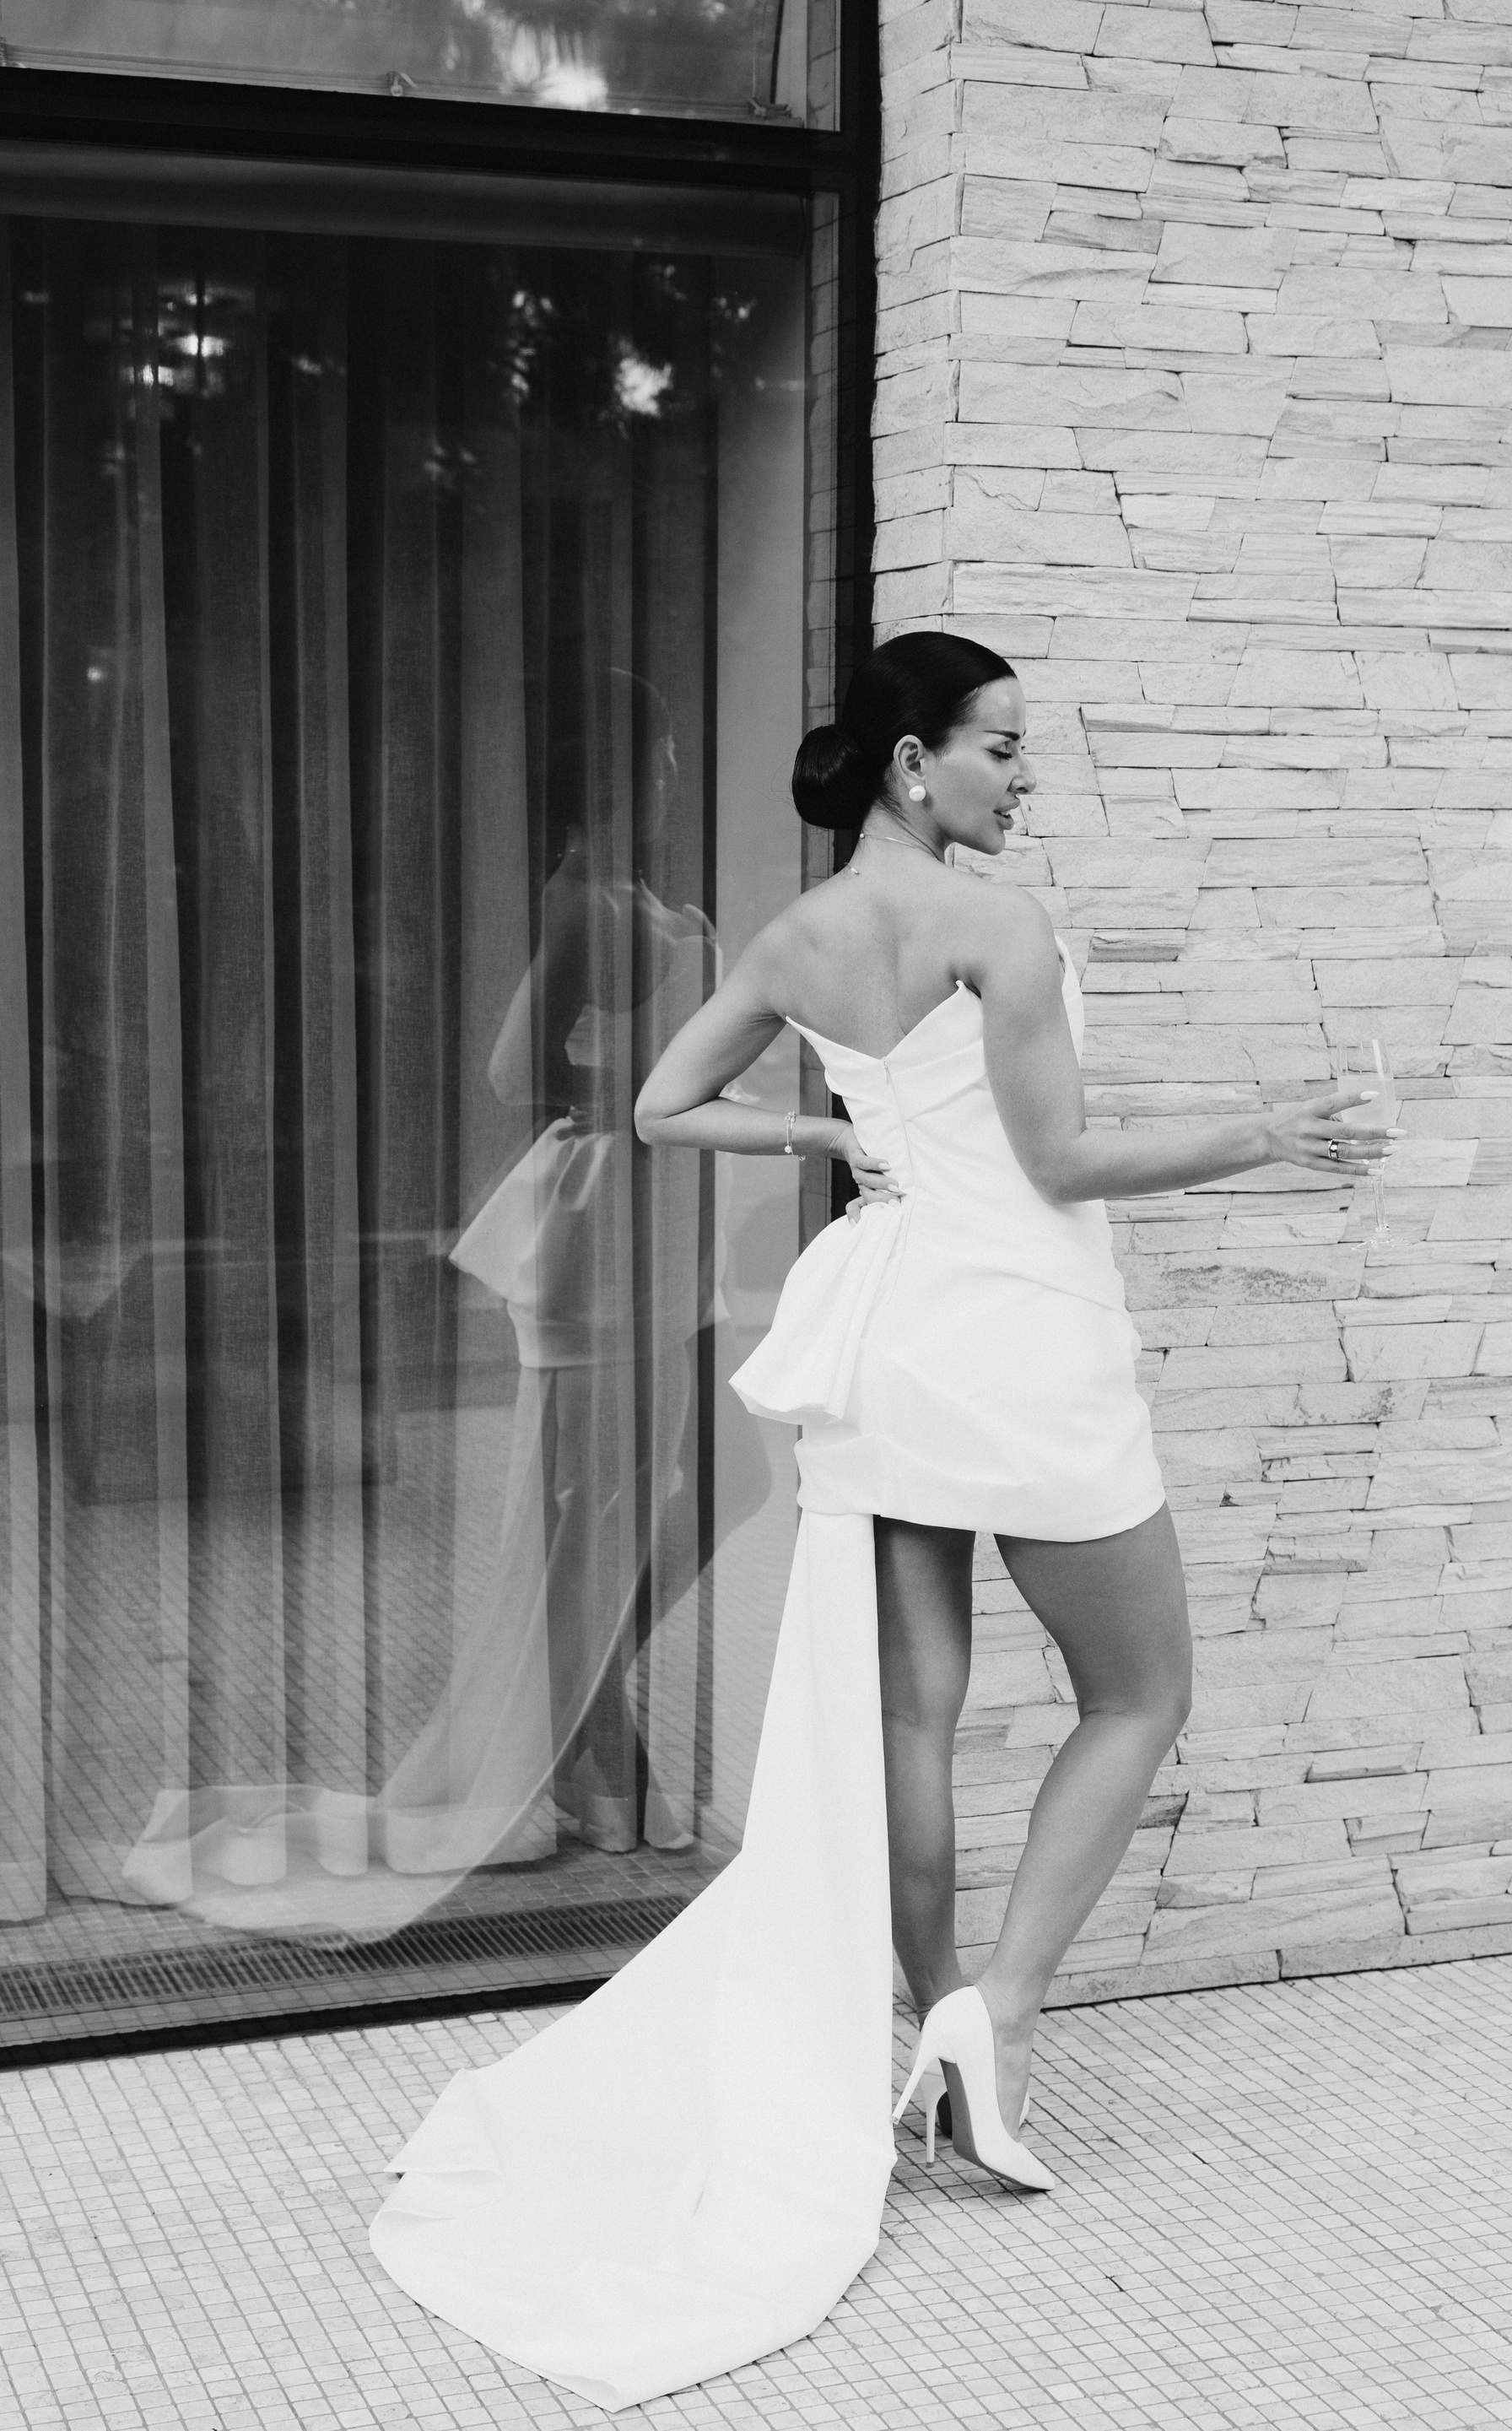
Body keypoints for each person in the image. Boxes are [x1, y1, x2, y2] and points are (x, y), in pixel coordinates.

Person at [369, 632, 1397, 2409]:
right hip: (1024, 1333)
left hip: (897, 1334)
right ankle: (999, 2010)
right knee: (1142, 1689)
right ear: (914, 760)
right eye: (1002, 747)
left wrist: (838, 1144)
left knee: (913, 1712)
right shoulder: (998, 927)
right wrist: (1269, 1135)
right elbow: (1060, 1165)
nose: (1024, 777)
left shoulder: (794, 937)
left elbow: (657, 1105)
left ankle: (930, 2025)